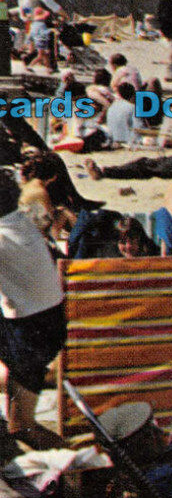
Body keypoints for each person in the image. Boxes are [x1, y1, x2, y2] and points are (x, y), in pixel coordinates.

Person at [0, 169, 69, 452]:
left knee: (22, 427)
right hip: (44, 323)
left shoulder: (3, 237)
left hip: (31, 333)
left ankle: (85, 470)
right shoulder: (21, 223)